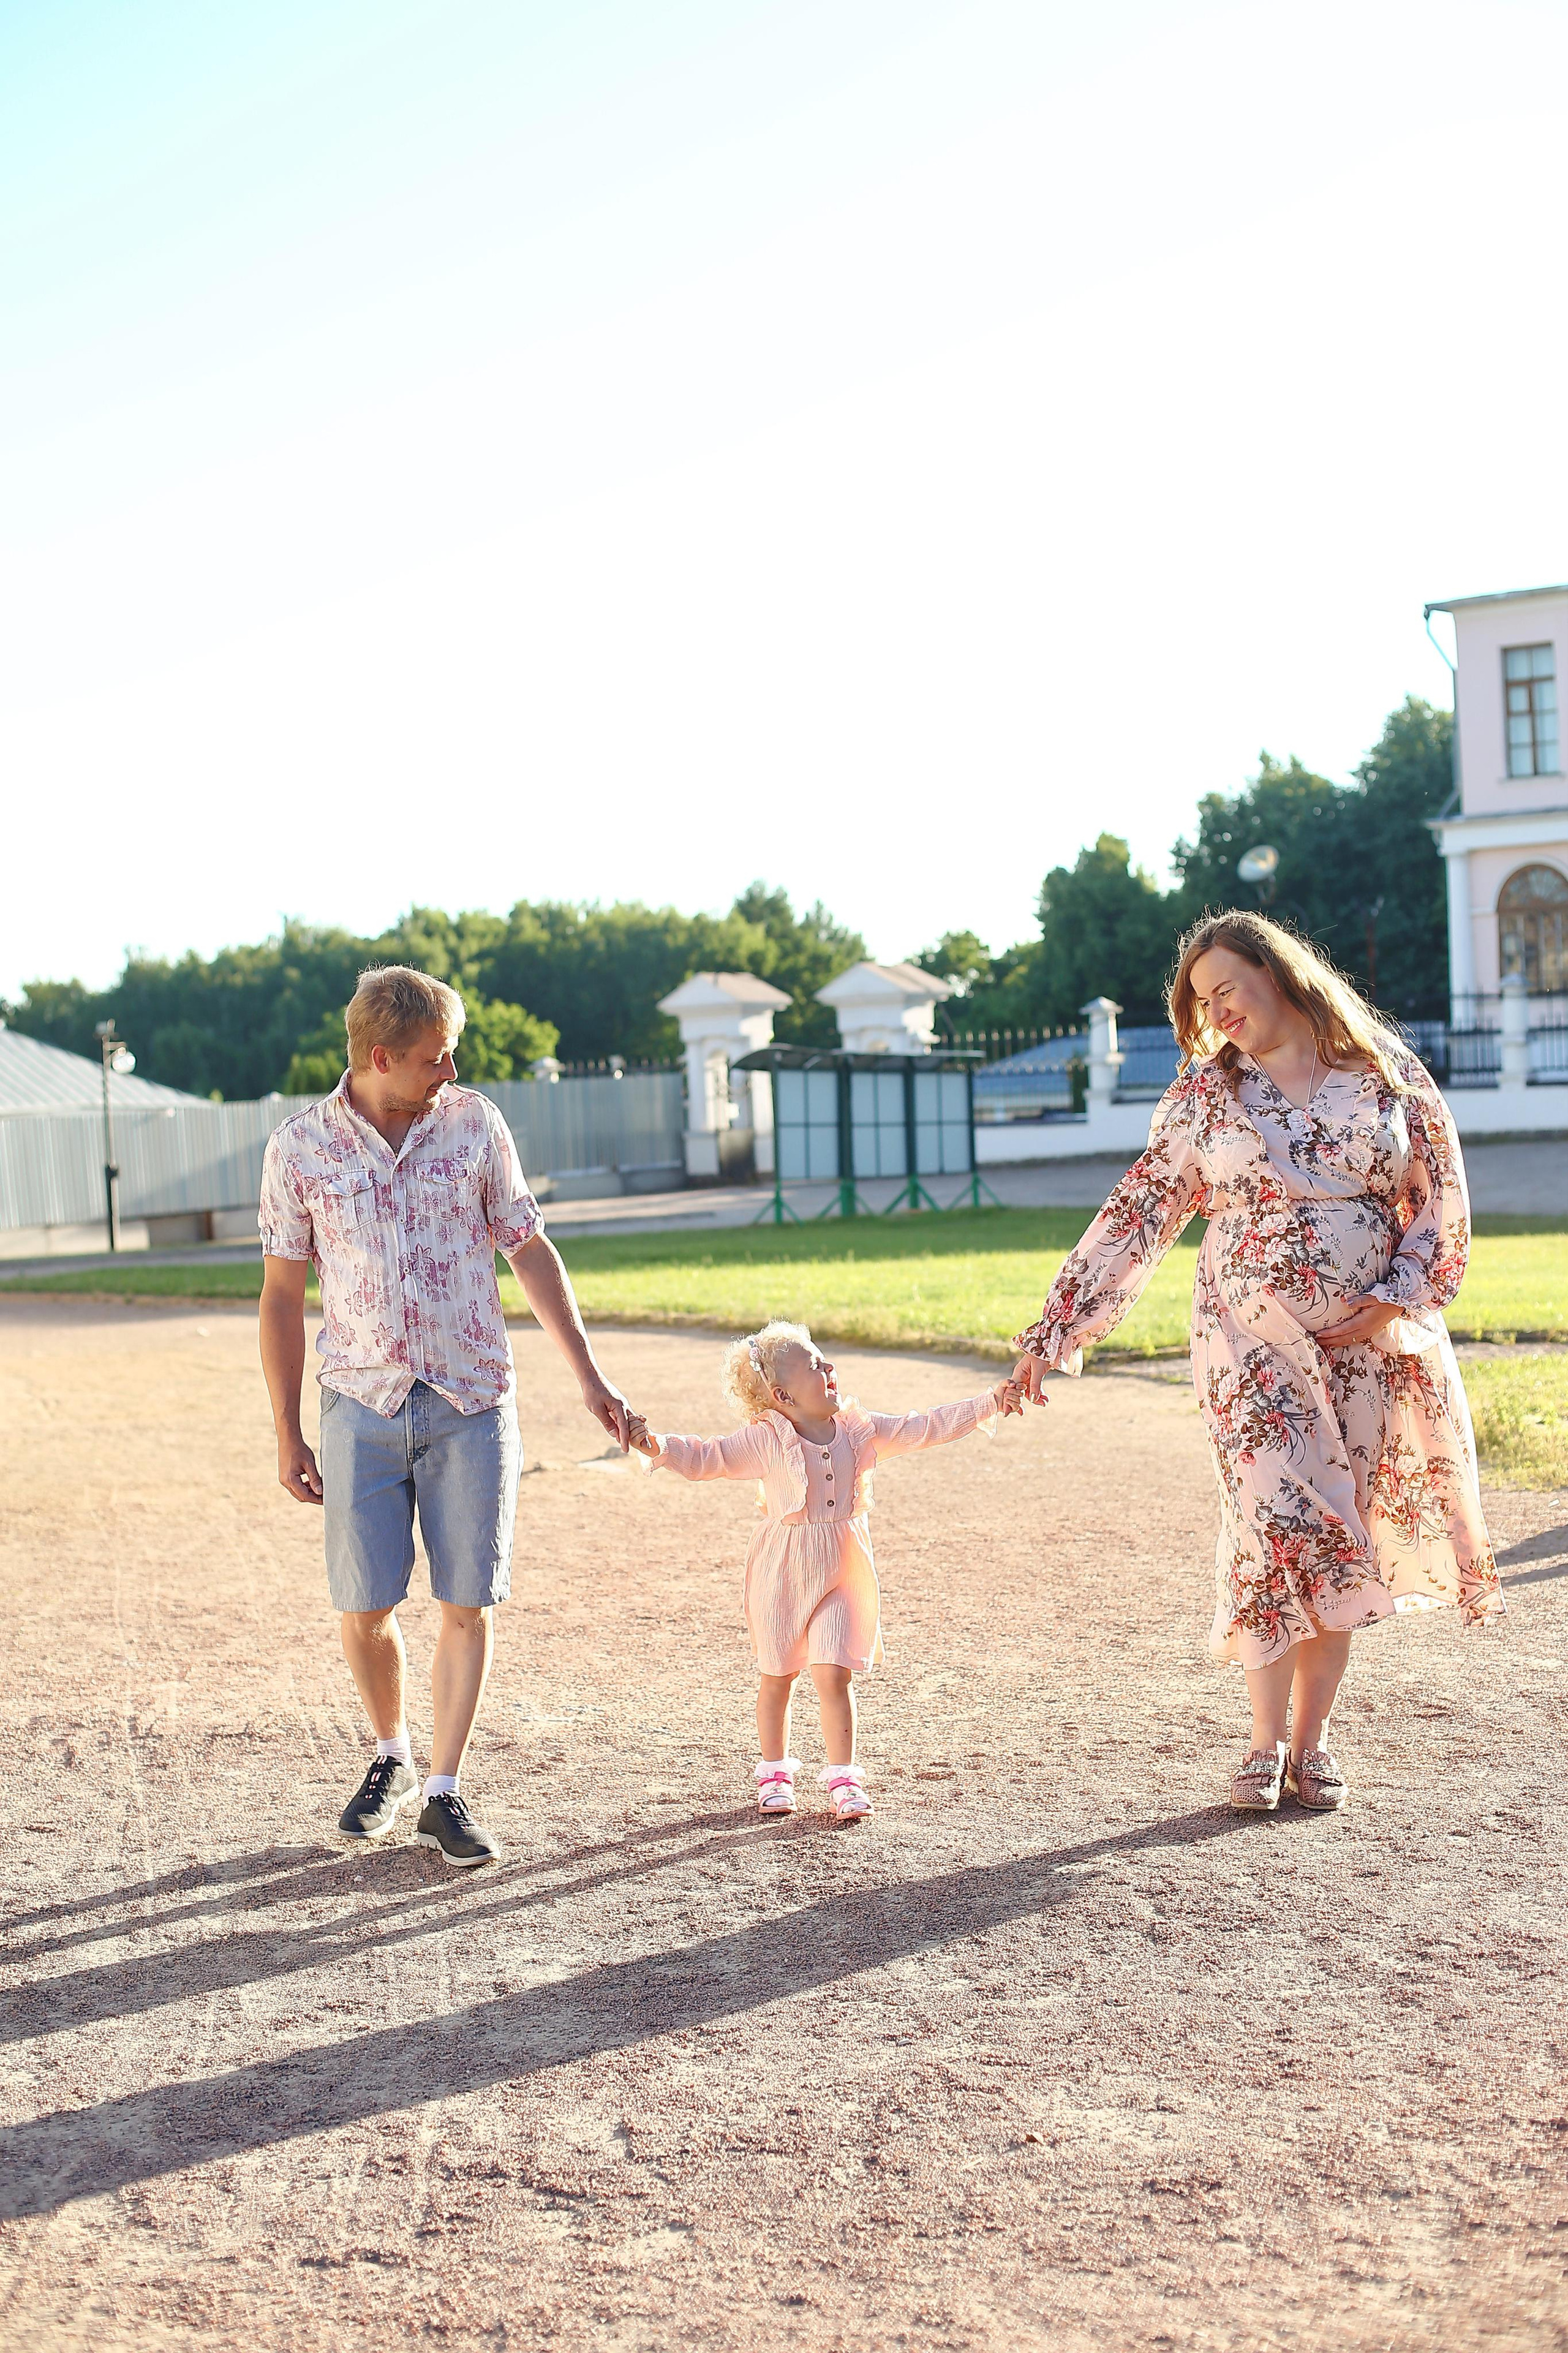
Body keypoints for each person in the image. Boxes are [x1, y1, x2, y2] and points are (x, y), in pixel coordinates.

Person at [1011, 911, 1505, 1815]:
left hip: (1364, 1351)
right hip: (1249, 1347)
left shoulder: (1385, 1073)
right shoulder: (1208, 1096)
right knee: (1275, 1518)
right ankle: (1261, 1742)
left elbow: (1441, 1194)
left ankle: (1311, 1747)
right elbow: (1143, 1210)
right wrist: (1059, 1327)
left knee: (1335, 1532)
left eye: (1228, 987)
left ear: (1280, 974)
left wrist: (1399, 1293)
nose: (1218, 1009)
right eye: (1203, 1000)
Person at [258, 964, 636, 1867]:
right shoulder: (300, 1148)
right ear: (379, 1057)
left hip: (472, 1398)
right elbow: (279, 1296)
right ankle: (390, 1754)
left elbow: (528, 1247)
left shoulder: (472, 1123)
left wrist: (588, 1375)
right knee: (366, 1602)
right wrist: (286, 1428)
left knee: (467, 1601)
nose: (451, 1067)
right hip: (362, 1403)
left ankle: (443, 1789)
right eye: (434, 1057)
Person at [628, 1322, 1024, 1819]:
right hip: (784, 1573)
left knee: (834, 1674)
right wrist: (655, 1444)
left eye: (825, 1359)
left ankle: (844, 1779)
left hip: (843, 1568)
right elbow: (708, 1456)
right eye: (816, 1366)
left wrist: (990, 1401)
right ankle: (774, 1771)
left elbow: (926, 1425)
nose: (830, 1368)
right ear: (782, 1395)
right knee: (779, 1675)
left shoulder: (860, 1430)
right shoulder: (767, 1440)